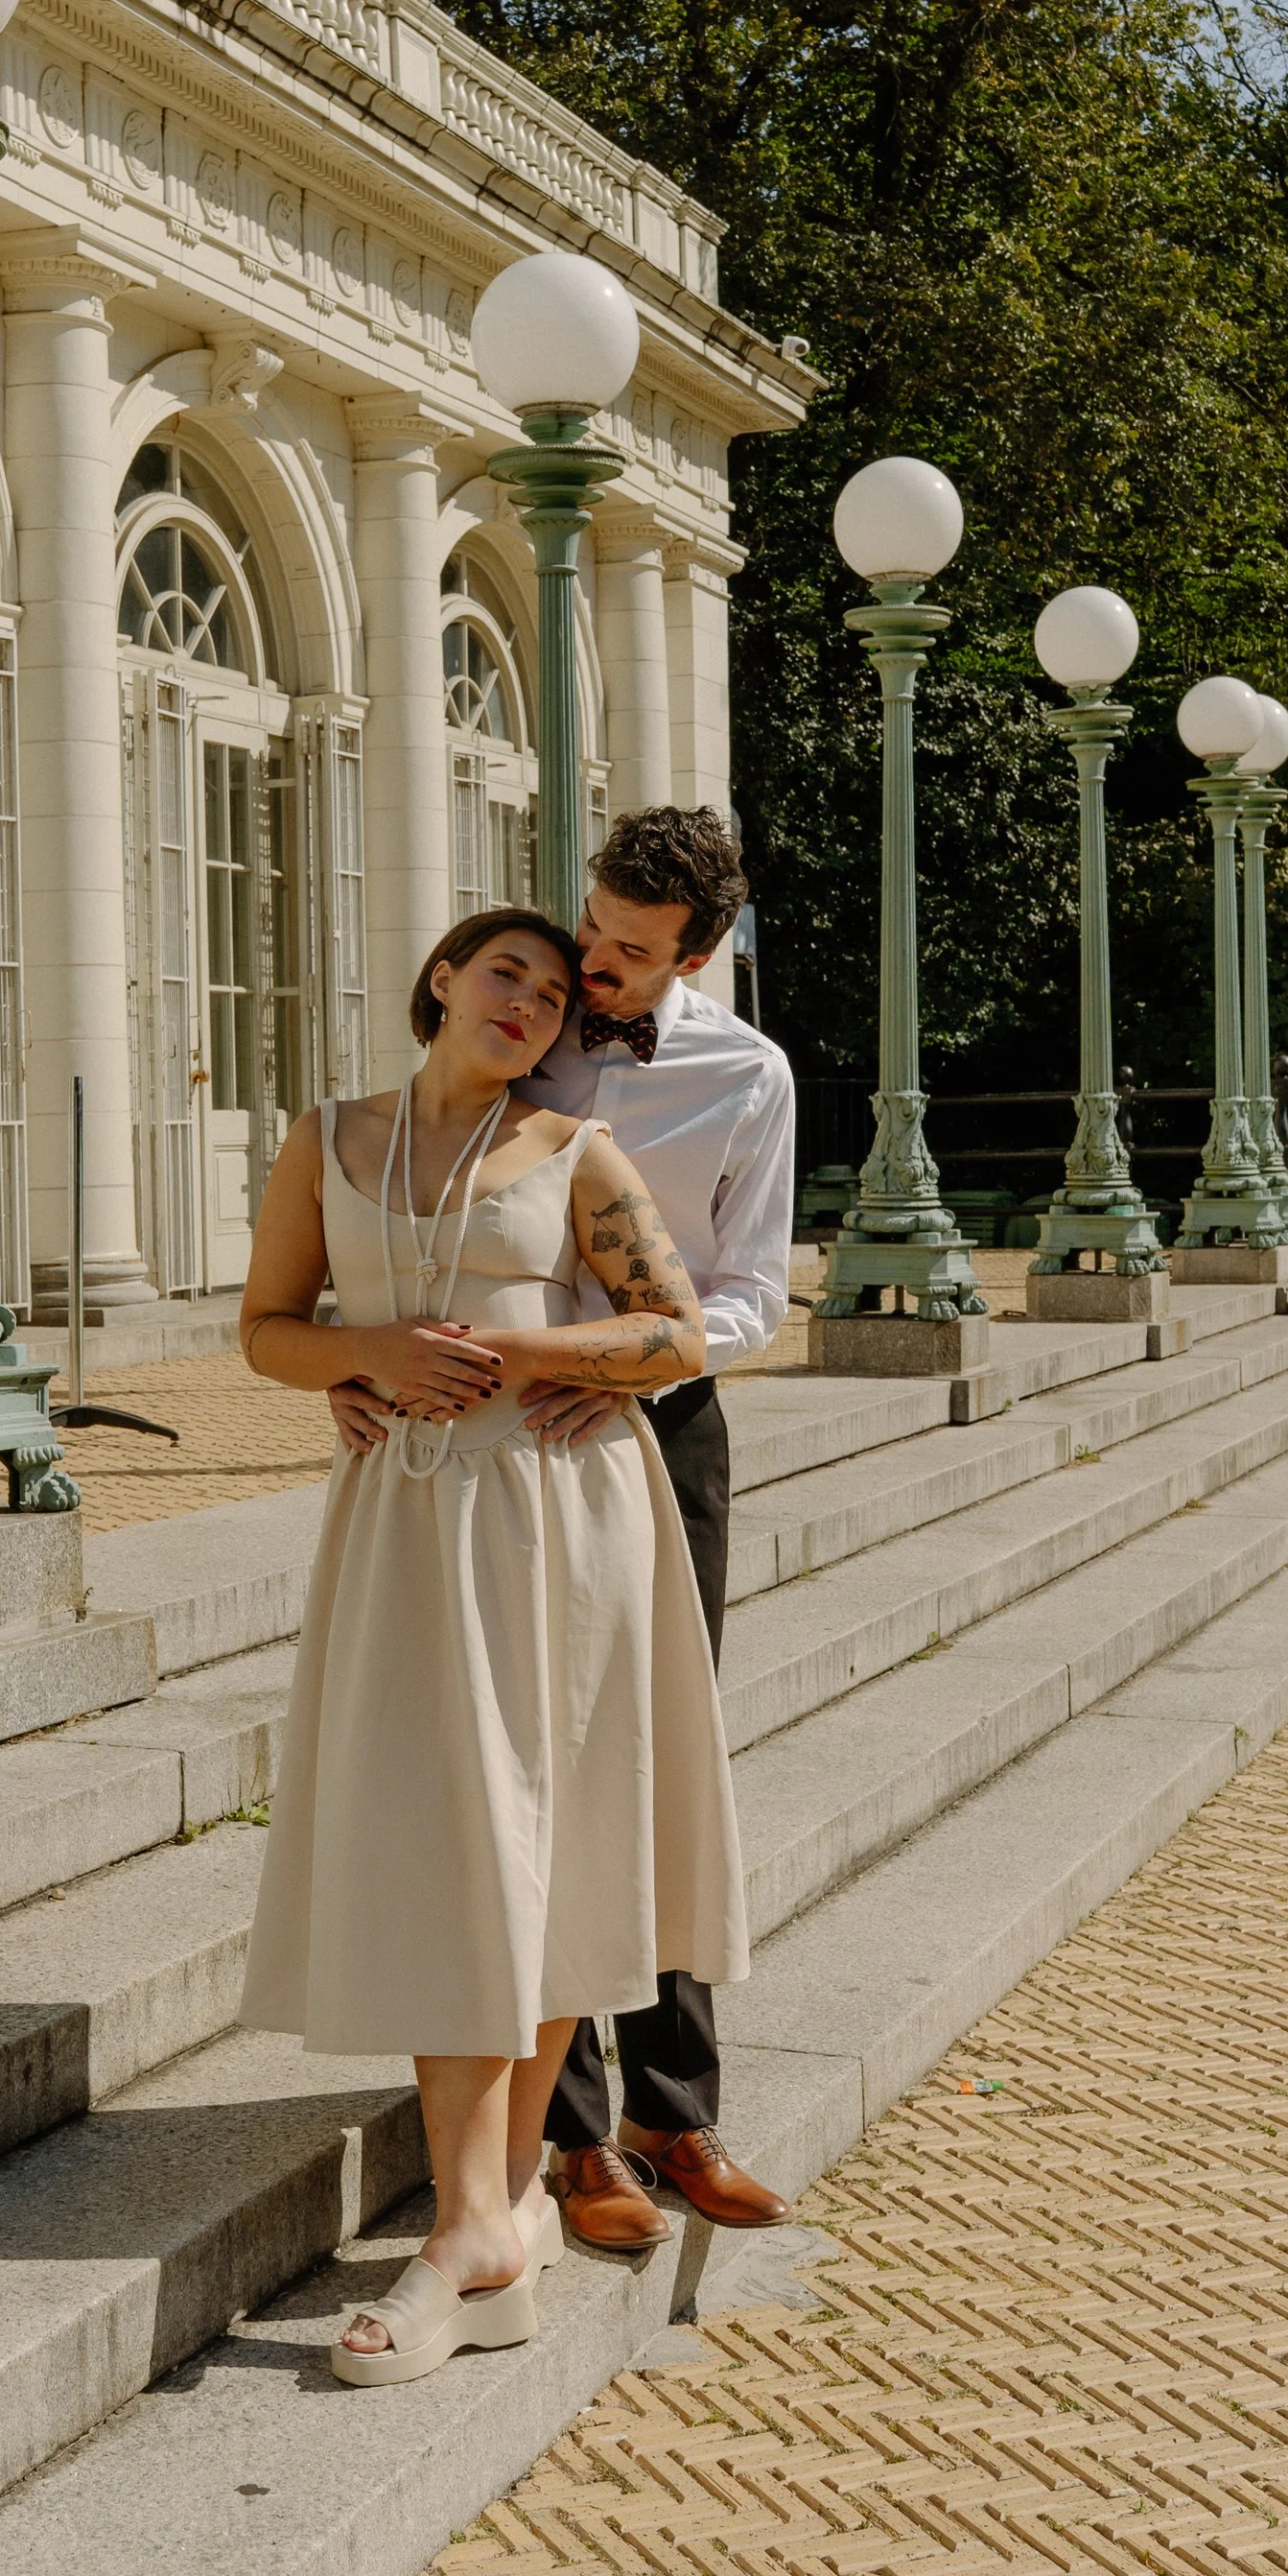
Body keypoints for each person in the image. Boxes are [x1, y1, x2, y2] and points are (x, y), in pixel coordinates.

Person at [237, 909, 750, 2388]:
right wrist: (361, 1355)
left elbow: (678, 1333)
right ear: (443, 981)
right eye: (504, 972)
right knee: (443, 1842)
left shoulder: (575, 1153)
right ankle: (494, 2212)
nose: (528, 999)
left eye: (553, 990)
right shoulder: (329, 1139)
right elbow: (266, 1327)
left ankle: (479, 2218)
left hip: (556, 1515)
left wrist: (517, 1353)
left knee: (543, 1841)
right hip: (402, 1523)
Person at [330, 808, 797, 2258]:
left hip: (657, 1426)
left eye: (628, 951)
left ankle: (676, 2109)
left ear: (695, 958)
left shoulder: (749, 1075)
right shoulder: (520, 1023)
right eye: (590, 925)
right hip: (486, 1438)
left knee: (649, 1755)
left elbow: (751, 1292)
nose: (589, 964)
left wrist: (619, 1370)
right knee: (534, 1781)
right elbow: (405, 1217)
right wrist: (359, 1360)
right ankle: (575, 2135)